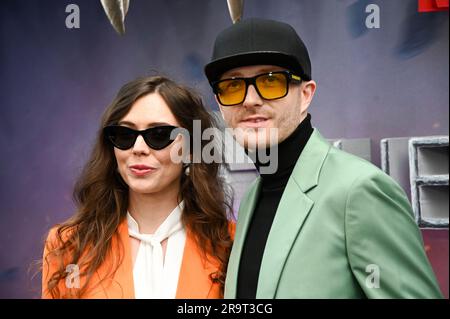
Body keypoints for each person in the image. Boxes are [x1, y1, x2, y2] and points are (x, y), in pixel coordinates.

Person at [204, 18, 443, 298]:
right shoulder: (252, 199)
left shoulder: (359, 190)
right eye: (232, 86)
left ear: (306, 95)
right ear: (220, 106)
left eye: (271, 81)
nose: (250, 99)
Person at [42, 76, 234, 298]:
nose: (138, 148)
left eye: (159, 135)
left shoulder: (231, 243)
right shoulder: (67, 244)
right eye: (125, 135)